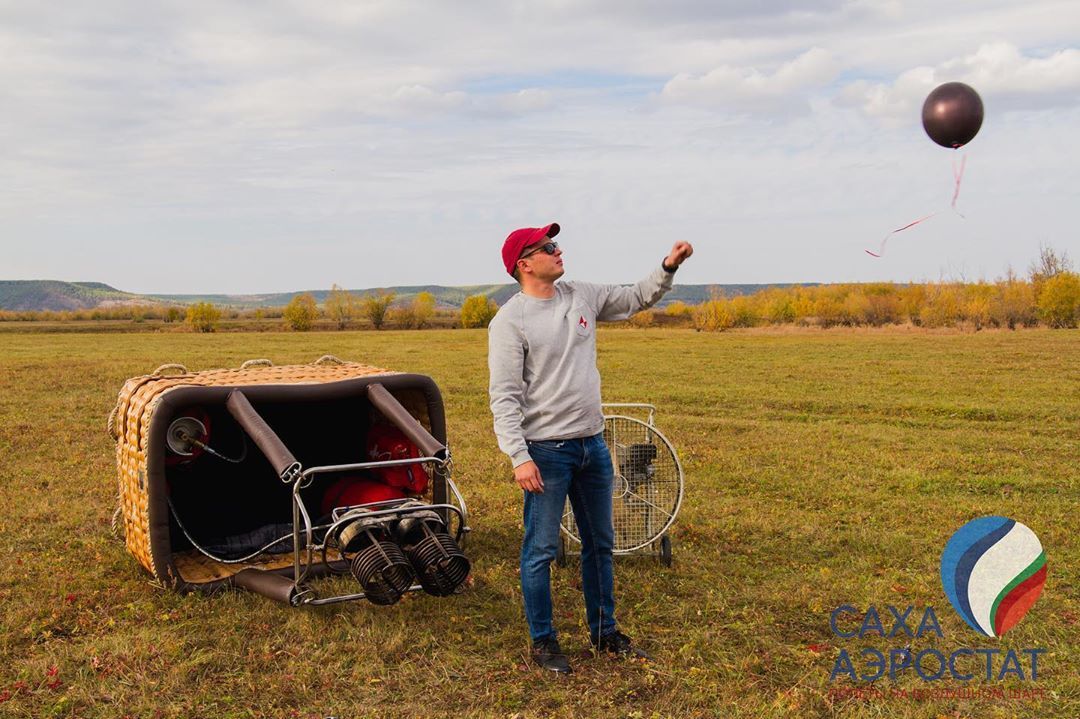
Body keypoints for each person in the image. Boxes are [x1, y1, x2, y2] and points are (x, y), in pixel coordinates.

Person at [487, 222, 693, 674]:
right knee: (540, 550)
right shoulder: (509, 321)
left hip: (592, 446)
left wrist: (667, 267)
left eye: (556, 243)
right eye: (548, 247)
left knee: (600, 545)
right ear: (524, 264)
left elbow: (636, 297)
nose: (558, 251)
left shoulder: (581, 295)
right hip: (546, 453)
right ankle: (543, 643)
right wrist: (519, 457)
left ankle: (605, 633)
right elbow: (504, 397)